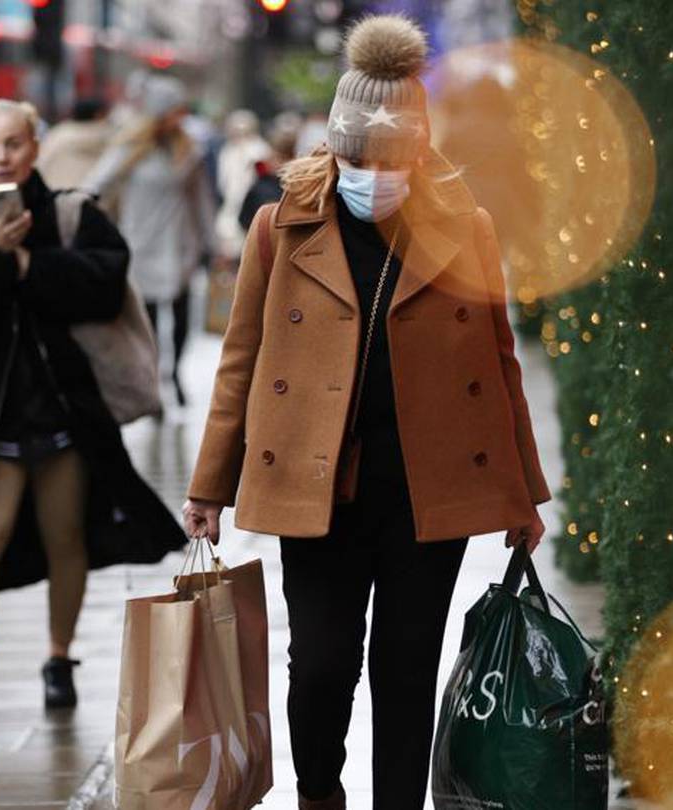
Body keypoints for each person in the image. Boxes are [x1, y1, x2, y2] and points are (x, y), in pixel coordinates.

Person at [181, 16, 550, 810]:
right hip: (319, 486)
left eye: (386, 159)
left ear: (417, 150)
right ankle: (320, 795)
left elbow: (499, 364)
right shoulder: (279, 228)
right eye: (355, 157)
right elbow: (239, 361)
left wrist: (524, 493)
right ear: (333, 145)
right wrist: (208, 486)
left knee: (408, 666)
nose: (371, 175)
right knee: (318, 662)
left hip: (430, 489)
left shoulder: (466, 229)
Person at [0, 99, 185, 717]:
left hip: (62, 412)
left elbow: (105, 281)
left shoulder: (68, 213)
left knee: (68, 537)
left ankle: (59, 657)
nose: (0, 157)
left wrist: (32, 264)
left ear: (35, 147)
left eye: (12, 143)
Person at [85, 75, 216, 410]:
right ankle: (155, 381)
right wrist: (98, 230)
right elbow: (95, 186)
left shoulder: (190, 150)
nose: (181, 117)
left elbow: (202, 202)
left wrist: (211, 242)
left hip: (181, 246)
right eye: (175, 110)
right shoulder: (129, 150)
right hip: (141, 245)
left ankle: (176, 374)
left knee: (183, 319)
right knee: (150, 324)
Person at [213, 108, 273, 260]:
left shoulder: (260, 150)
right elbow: (223, 181)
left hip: (253, 205)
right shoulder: (227, 151)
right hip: (231, 207)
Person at [35, 97, 112, 191]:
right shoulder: (113, 139)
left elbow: (40, 164)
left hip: (55, 196)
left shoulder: (59, 135)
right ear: (98, 114)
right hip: (90, 198)